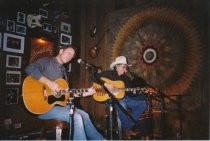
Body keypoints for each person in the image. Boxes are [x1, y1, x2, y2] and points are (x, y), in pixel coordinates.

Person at [25, 44, 105, 140]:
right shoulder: (47, 61)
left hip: (59, 107)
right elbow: (29, 68)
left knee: (85, 116)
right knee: (77, 117)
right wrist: (49, 83)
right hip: (42, 108)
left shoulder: (63, 72)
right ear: (61, 51)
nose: (70, 56)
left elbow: (67, 94)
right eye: (69, 53)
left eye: (72, 55)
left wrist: (85, 93)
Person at [93, 56, 154, 139]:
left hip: (125, 98)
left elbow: (129, 93)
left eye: (125, 67)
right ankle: (127, 130)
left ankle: (127, 127)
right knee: (122, 103)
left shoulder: (126, 78)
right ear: (117, 66)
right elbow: (94, 76)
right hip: (111, 99)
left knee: (143, 104)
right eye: (123, 67)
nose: (125, 69)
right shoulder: (109, 74)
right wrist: (105, 84)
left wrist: (136, 91)